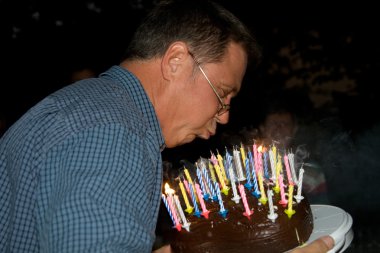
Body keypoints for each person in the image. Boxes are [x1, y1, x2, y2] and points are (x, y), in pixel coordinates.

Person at [0, 0, 333, 252]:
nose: (225, 115)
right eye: (223, 93)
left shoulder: (93, 107)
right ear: (176, 61)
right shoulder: (114, 133)